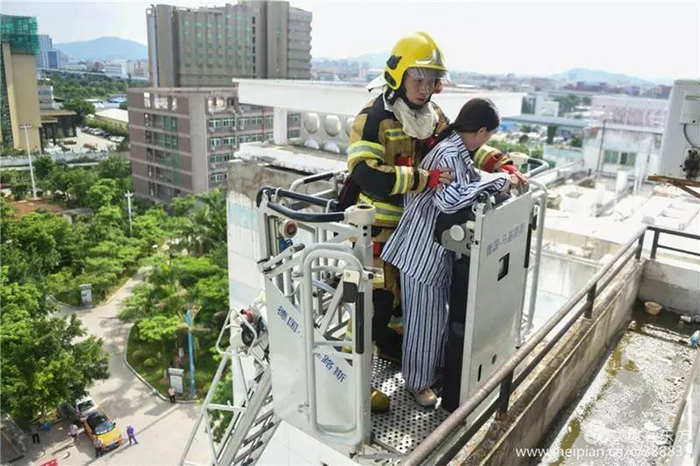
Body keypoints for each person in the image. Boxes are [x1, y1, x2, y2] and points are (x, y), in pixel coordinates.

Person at [381, 98, 526, 406]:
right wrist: (502, 180)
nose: (487, 141)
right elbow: (450, 200)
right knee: (424, 322)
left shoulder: (457, 150)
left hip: (432, 250)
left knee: (435, 318)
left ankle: (431, 373)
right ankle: (418, 384)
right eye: (489, 135)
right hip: (420, 252)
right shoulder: (448, 153)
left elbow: (472, 179)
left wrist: (501, 178)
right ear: (482, 130)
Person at [343, 31, 453, 413]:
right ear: (398, 76)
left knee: (404, 310)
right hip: (375, 235)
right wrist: (422, 180)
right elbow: (365, 173)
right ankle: (354, 386)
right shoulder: (373, 118)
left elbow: (458, 150)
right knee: (373, 310)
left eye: (431, 80)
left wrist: (499, 163)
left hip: (415, 233)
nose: (424, 89)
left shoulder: (434, 118)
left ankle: (397, 359)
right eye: (417, 79)